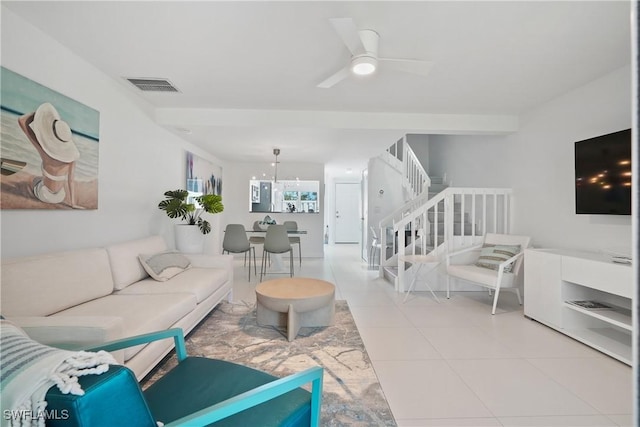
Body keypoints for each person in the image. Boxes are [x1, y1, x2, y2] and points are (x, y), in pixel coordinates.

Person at [17, 102, 80, 207]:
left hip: (45, 195)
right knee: (40, 180)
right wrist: (73, 204)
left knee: (35, 180)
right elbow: (71, 181)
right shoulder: (71, 159)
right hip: (61, 196)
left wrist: (39, 115)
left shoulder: (45, 152)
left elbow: (22, 120)